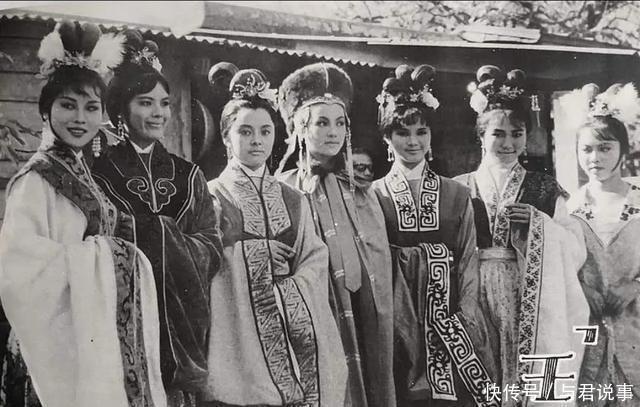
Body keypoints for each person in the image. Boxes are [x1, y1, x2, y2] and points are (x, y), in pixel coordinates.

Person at [0, 21, 167, 407]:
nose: (80, 118)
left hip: (90, 334)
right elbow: (20, 273)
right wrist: (107, 257)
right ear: (46, 110)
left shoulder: (83, 171)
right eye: (67, 105)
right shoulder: (36, 180)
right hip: (55, 345)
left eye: (91, 108)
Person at [91, 29, 222, 406]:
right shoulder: (99, 174)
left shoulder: (189, 175)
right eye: (146, 103)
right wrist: (160, 236)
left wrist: (164, 236)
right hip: (122, 322)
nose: (158, 113)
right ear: (121, 110)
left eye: (164, 103)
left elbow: (211, 245)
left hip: (182, 329)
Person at [202, 68, 346, 406]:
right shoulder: (211, 194)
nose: (257, 140)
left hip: (292, 327)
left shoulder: (294, 198)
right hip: (237, 332)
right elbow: (203, 260)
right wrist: (251, 255)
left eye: (265, 131)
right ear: (226, 138)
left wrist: (289, 288)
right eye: (245, 131)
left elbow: (314, 258)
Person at [454, 66, 589, 405]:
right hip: (473, 289)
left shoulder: (544, 187)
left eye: (517, 134)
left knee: (523, 379)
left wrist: (539, 223)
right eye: (498, 134)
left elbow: (575, 248)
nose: (508, 143)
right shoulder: (458, 187)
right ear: (481, 135)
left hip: (528, 291)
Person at [372, 64, 496, 407]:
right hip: (396, 318)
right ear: (387, 138)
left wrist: (466, 314)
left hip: (449, 316)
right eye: (402, 132)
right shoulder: (372, 195)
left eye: (421, 131)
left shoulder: (456, 193)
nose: (413, 141)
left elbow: (468, 258)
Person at [276, 62, 395, 407]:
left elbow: (379, 260)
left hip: (363, 309)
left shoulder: (363, 191)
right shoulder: (285, 189)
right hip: (316, 309)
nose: (333, 132)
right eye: (322, 123)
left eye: (340, 123)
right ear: (301, 127)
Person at [562, 83, 640, 406]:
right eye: (587, 149)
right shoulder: (568, 207)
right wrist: (579, 288)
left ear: (623, 149)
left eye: (605, 148)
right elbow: (560, 268)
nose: (595, 158)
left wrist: (635, 286)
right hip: (587, 325)